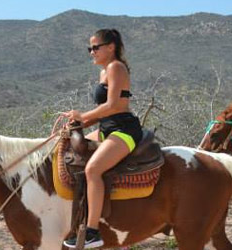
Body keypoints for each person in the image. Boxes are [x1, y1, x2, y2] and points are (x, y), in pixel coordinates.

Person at [61, 29, 142, 248]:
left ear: (110, 47)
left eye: (95, 47)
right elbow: (103, 112)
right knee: (68, 150)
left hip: (124, 129)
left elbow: (114, 106)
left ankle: (92, 232)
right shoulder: (103, 72)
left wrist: (82, 116)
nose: (91, 52)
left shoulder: (116, 67)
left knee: (93, 170)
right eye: (90, 48)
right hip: (107, 128)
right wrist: (77, 124)